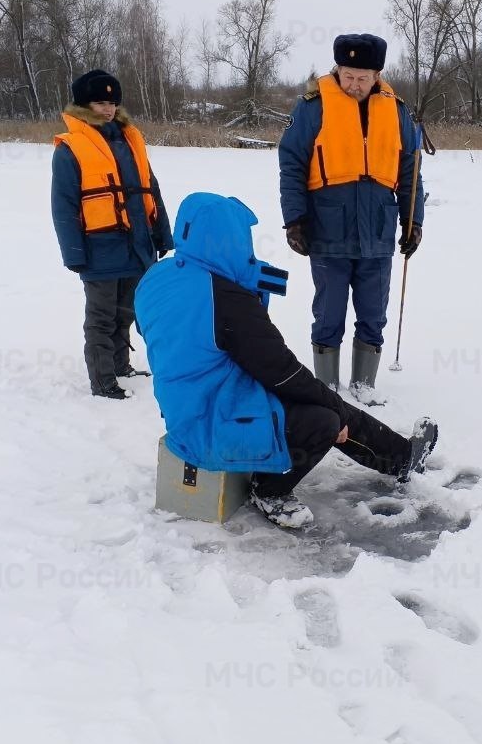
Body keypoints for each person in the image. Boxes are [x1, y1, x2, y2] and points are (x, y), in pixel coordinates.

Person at [135, 191, 439, 529]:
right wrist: (336, 409)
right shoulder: (228, 302)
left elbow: (186, 327)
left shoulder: (158, 278)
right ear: (229, 240)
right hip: (211, 426)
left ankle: (398, 455)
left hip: (187, 409)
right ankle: (271, 491)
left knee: (321, 406)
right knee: (324, 420)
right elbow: (281, 371)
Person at [278, 32, 426, 404]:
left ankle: (363, 387)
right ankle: (326, 388)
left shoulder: (396, 110)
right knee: (329, 313)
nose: (354, 85)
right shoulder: (313, 107)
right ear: (337, 69)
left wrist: (414, 221)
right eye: (348, 76)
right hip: (327, 228)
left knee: (373, 313)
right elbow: (291, 164)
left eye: (363, 77)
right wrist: (295, 219)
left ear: (377, 74)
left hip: (378, 228)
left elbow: (410, 169)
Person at [51, 69, 173, 399]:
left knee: (127, 312)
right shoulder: (70, 149)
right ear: (83, 105)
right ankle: (103, 380)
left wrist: (162, 234)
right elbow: (63, 205)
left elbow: (152, 189)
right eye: (100, 102)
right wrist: (74, 253)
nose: (107, 109)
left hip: (137, 245)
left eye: (112, 102)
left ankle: (121, 364)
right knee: (101, 318)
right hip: (99, 248)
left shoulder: (129, 140)